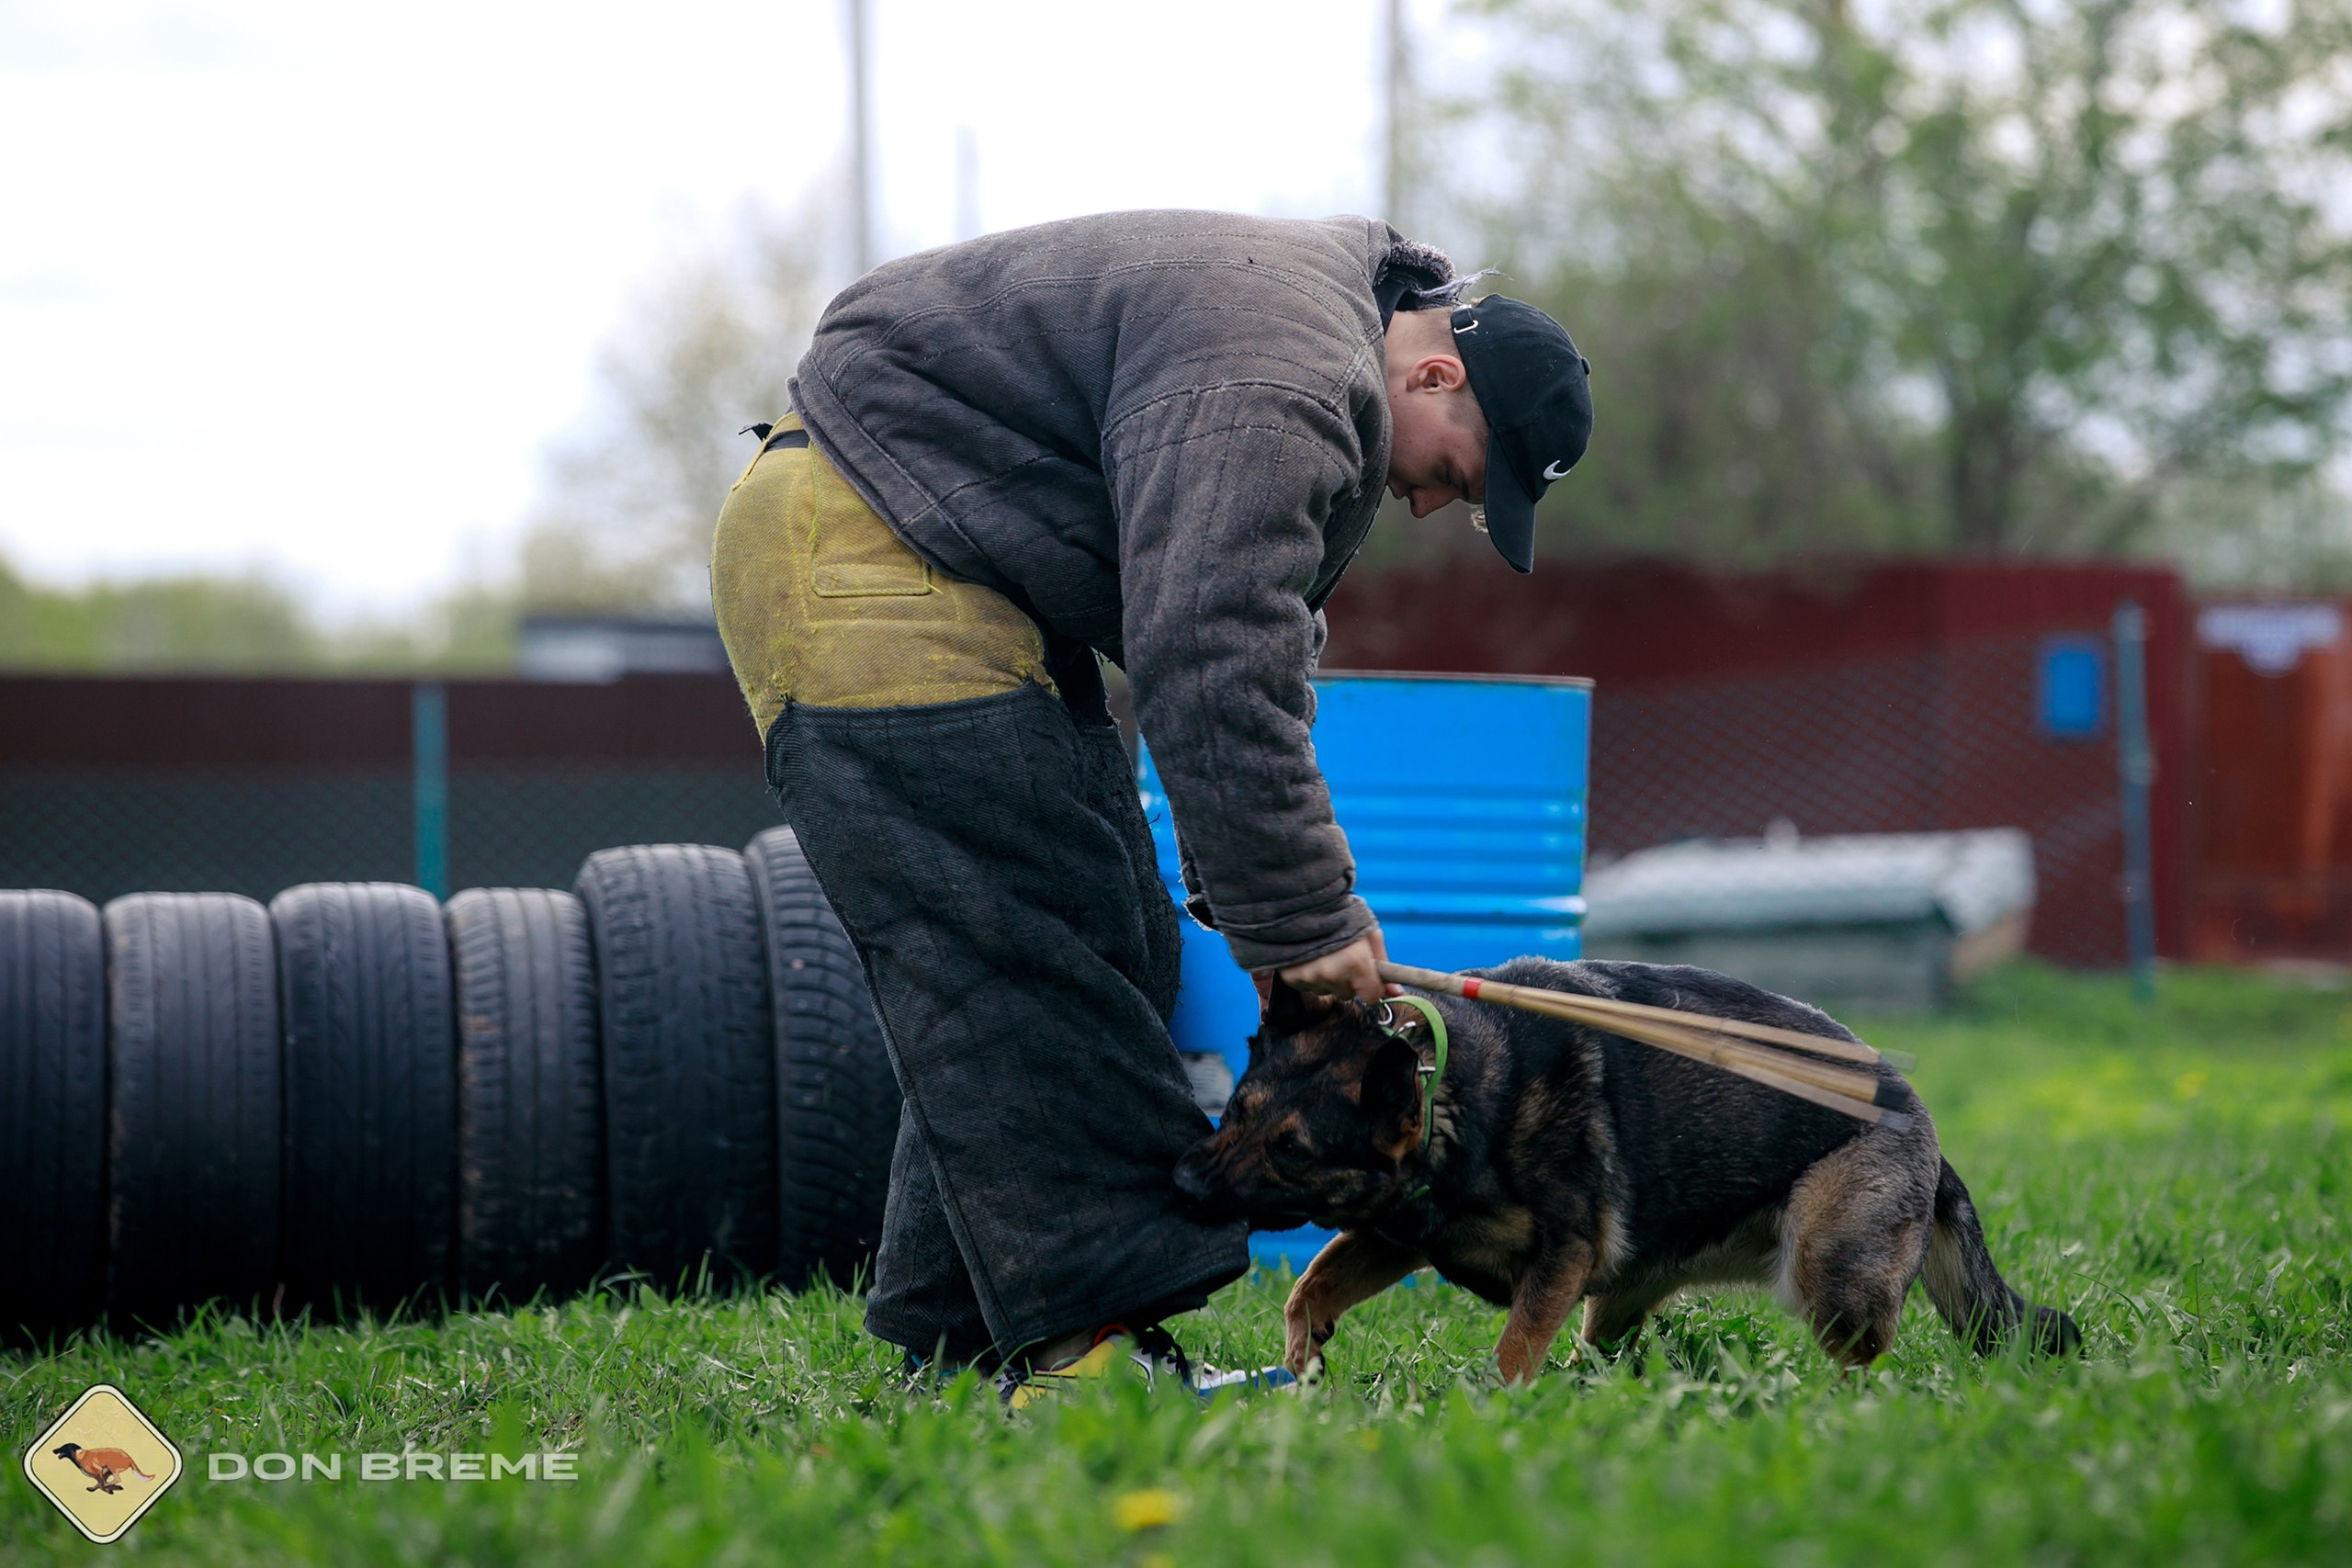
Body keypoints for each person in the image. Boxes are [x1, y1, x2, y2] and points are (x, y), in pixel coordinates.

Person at [709, 209, 1591, 1400]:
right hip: (865, 546)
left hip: (937, 554)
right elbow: (1210, 657)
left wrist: (1275, 914)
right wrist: (1304, 924)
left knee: (1110, 924)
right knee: (1028, 939)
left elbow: (1242, 650)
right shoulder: (1289, 370)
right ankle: (1085, 1361)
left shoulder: (1297, 342)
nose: (1430, 506)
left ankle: (963, 1344)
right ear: (1436, 373)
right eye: (1453, 475)